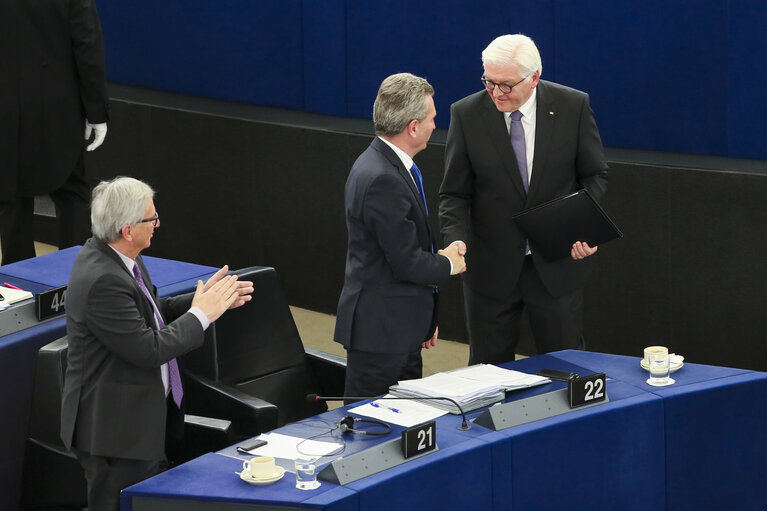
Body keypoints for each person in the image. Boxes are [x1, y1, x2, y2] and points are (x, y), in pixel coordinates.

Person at [60, 177, 253, 511]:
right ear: (127, 229)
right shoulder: (102, 279)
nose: (158, 224)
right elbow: (148, 349)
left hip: (142, 423)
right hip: (116, 436)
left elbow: (149, 312)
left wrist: (199, 302)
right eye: (152, 219)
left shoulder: (120, 258)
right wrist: (201, 316)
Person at [439, 34, 609, 365]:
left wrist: (585, 230)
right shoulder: (466, 114)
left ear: (534, 77)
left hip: (556, 265)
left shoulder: (572, 106)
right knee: (488, 372)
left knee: (566, 368)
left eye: (506, 85)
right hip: (491, 269)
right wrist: (454, 239)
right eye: (489, 82)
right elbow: (454, 192)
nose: (496, 93)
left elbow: (595, 175)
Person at [334, 73, 466, 400]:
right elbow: (407, 262)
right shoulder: (382, 179)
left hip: (398, 329)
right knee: (373, 431)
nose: (436, 125)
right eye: (432, 119)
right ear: (413, 127)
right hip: (380, 337)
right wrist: (449, 263)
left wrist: (423, 320)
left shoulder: (382, 165)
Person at [0, 0, 109, 265]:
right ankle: (75, 279)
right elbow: (87, 45)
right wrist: (96, 111)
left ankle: (19, 284)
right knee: (71, 190)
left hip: (5, 104)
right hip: (59, 106)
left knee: (10, 193)